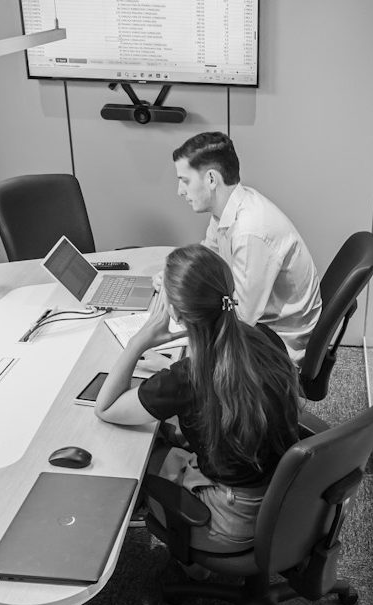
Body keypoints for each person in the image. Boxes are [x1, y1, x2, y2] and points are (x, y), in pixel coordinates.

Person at [95, 245, 300, 552]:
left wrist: (139, 342)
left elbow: (106, 407)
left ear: (175, 313)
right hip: (281, 491)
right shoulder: (263, 336)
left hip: (232, 518)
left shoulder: (189, 377)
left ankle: (189, 558)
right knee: (166, 429)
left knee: (131, 454)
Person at [171, 132, 322, 363]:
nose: (180, 191)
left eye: (185, 180)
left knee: (181, 361)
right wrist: (174, 280)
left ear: (211, 179)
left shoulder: (250, 231)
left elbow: (241, 317)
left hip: (279, 342)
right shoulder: (228, 207)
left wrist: (189, 309)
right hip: (263, 320)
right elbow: (207, 257)